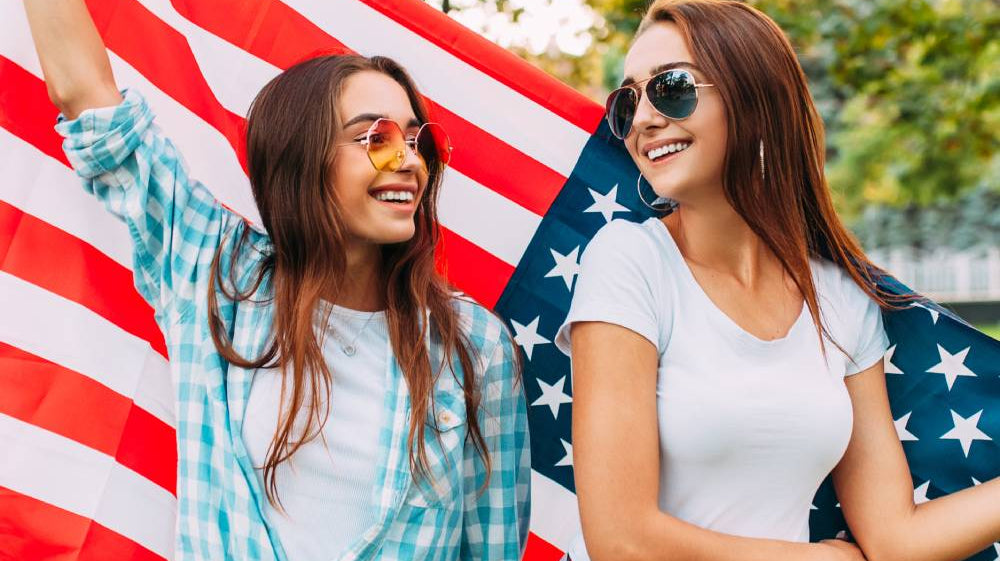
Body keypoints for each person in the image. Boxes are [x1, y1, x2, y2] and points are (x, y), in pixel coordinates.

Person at [23, 1, 530, 560]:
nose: (409, 161)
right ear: (301, 157)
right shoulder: (216, 276)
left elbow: (492, 549)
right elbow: (91, 104)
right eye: (376, 139)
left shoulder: (473, 346)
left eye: (416, 140)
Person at [556, 1, 1000, 560]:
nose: (642, 119)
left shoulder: (839, 299)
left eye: (671, 88)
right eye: (627, 102)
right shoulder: (629, 261)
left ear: (756, 99)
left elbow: (894, 540)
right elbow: (621, 539)